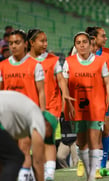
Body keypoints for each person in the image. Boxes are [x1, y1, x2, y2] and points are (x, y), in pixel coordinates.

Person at [63, 32, 109, 181]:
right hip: (78, 106)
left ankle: (96, 168)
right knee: (81, 140)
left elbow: (108, 83)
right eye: (78, 42)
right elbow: (64, 84)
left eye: (84, 42)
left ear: (90, 44)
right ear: (75, 46)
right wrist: (66, 103)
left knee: (95, 138)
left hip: (97, 105)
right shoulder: (69, 62)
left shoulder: (100, 61)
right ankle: (81, 161)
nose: (82, 45)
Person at [27, 28, 74, 180]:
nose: (45, 44)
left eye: (46, 40)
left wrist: (65, 94)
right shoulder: (24, 61)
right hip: (30, 108)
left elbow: (61, 79)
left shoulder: (53, 60)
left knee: (49, 140)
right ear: (31, 42)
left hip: (51, 108)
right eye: (42, 41)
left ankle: (49, 174)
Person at [0, 29, 46, 181]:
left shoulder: (35, 66)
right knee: (9, 155)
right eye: (11, 43)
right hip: (7, 117)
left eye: (17, 42)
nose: (13, 46)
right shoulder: (3, 66)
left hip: (26, 116)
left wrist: (42, 113)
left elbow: (41, 91)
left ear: (26, 44)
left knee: (23, 150)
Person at [0, 90, 57, 181]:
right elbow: (37, 162)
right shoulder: (39, 120)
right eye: (48, 136)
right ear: (47, 125)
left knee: (5, 159)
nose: (44, 140)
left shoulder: (22, 119)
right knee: (16, 158)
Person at [85, 26, 109, 176]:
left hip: (106, 97)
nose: (106, 38)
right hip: (90, 98)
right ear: (94, 38)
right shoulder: (84, 54)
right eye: (103, 36)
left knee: (105, 130)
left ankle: (102, 166)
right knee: (94, 133)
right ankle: (92, 166)